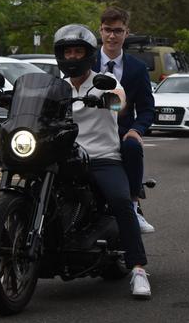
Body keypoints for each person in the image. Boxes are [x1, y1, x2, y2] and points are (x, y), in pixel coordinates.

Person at [55, 23, 151, 298]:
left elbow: (120, 101)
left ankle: (138, 270)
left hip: (101, 157)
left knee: (121, 202)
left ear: (87, 54)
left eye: (77, 51)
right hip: (63, 158)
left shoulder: (103, 82)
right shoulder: (57, 87)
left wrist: (109, 101)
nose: (72, 57)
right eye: (67, 52)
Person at [93, 6, 155, 233]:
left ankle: (133, 205)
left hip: (120, 132)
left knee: (132, 146)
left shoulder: (137, 69)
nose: (112, 36)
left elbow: (148, 109)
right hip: (85, 130)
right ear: (100, 31)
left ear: (126, 33)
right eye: (108, 30)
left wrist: (137, 130)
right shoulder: (84, 61)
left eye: (118, 31)